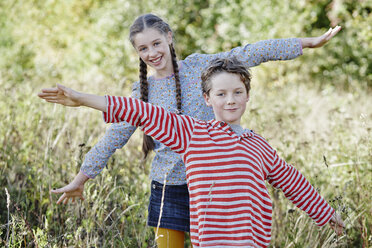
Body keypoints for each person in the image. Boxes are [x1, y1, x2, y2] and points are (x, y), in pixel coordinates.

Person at [40, 13, 342, 247]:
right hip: (168, 188)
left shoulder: (202, 67)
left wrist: (305, 43)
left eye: (156, 43)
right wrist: (80, 179)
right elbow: (114, 137)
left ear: (169, 38)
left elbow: (250, 53)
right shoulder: (143, 94)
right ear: (137, 52)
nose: (152, 52)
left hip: (217, 187)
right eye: (143, 48)